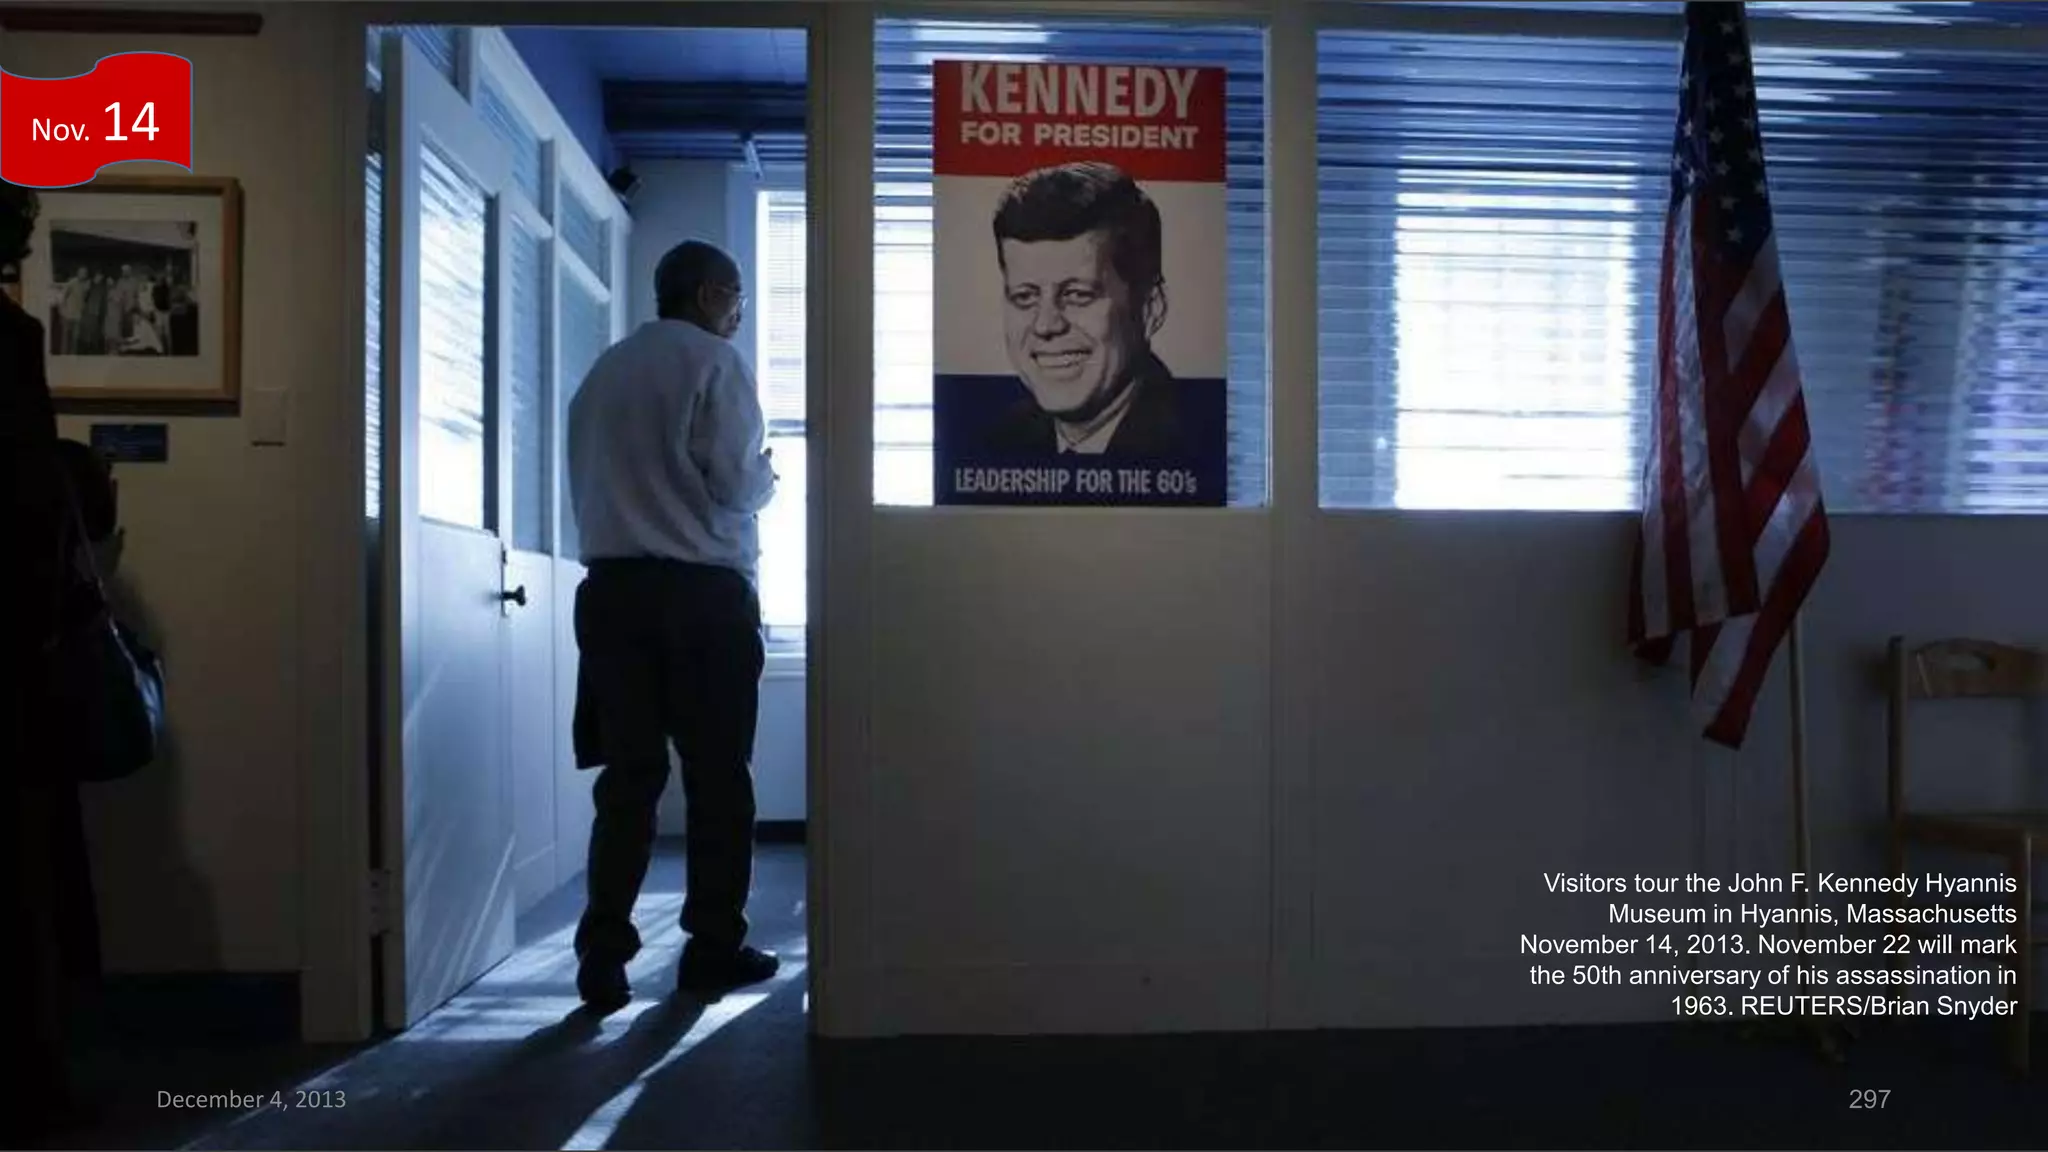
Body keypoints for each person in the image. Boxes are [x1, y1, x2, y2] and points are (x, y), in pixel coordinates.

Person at [565, 239, 779, 1014]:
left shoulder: (601, 374)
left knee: (629, 780)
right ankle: (712, 948)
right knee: (719, 778)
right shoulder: (716, 364)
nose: (742, 310)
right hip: (701, 598)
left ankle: (602, 952)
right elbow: (736, 485)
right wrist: (771, 476)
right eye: (738, 295)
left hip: (611, 593)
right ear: (710, 293)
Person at [1, 184, 111, 1144]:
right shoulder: (6, 339)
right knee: (24, 874)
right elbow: (34, 502)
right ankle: (36, 1082)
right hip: (9, 651)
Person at [980, 160, 1186, 457]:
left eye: (1077, 294)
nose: (1046, 325)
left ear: (1150, 309)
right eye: (1025, 296)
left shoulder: (1194, 446)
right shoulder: (997, 445)